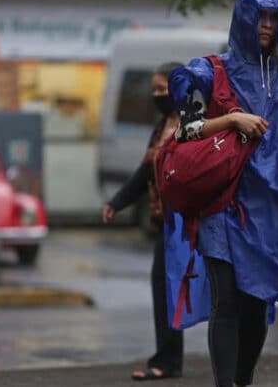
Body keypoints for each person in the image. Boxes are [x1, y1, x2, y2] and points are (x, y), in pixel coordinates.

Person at [167, 0, 278, 386]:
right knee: (226, 298)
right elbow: (186, 131)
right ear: (242, 17)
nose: (265, 25)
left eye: (273, 17)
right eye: (258, 16)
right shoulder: (210, 72)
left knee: (255, 303)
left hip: (271, 206)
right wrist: (231, 119)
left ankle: (242, 379)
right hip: (222, 202)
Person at [101, 62, 185, 382]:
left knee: (215, 294)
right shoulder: (161, 126)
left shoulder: (196, 125)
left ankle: (234, 361)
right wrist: (116, 202)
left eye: (162, 89)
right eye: (154, 89)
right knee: (164, 288)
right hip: (167, 225)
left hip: (193, 225)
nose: (156, 95)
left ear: (179, 88)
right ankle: (168, 359)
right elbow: (144, 173)